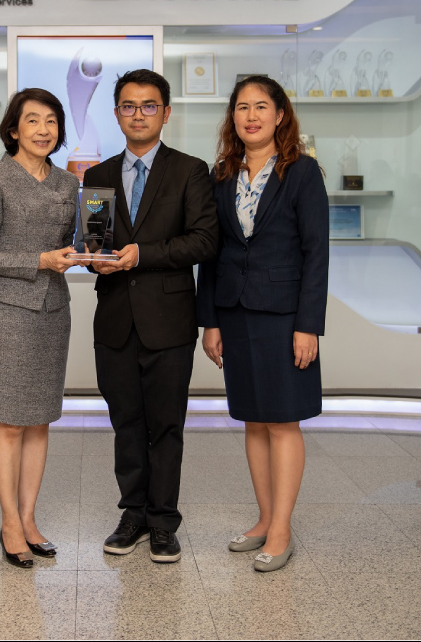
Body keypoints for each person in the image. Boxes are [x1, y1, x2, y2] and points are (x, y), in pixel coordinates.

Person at [83, 69, 218, 563]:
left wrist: (143, 254)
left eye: (148, 106)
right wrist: (93, 258)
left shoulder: (190, 170)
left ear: (166, 113)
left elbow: (204, 241)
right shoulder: (97, 176)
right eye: (128, 106)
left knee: (165, 425)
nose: (138, 114)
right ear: (116, 113)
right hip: (115, 321)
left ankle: (163, 522)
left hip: (168, 320)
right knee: (125, 423)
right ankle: (133, 514)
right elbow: (93, 241)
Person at [197, 75, 329, 573]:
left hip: (284, 316)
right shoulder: (222, 175)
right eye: (242, 107)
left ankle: (282, 528)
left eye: (260, 107)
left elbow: (316, 254)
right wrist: (210, 321)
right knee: (252, 419)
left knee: (282, 420)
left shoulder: (302, 172)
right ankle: (264, 517)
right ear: (232, 117)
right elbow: (212, 255)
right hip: (234, 312)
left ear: (279, 115)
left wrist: (308, 325)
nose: (250, 116)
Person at [0, 88, 80, 569]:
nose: (43, 129)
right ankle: (9, 521)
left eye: (51, 121)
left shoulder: (69, 182)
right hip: (4, 310)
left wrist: (91, 252)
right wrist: (41, 260)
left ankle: (30, 518)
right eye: (32, 120)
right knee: (9, 420)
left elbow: (76, 240)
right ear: (13, 129)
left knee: (39, 419)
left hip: (53, 309)